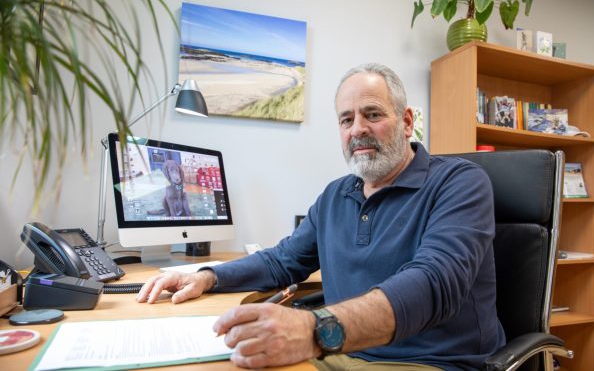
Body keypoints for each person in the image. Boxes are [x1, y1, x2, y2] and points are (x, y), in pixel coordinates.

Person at [137, 63, 506, 370]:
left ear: (407, 122)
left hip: (430, 362)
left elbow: (434, 283)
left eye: (372, 114)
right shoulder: (336, 194)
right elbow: (283, 261)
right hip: (345, 352)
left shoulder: (460, 182)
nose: (357, 129)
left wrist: (315, 329)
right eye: (346, 120)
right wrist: (208, 276)